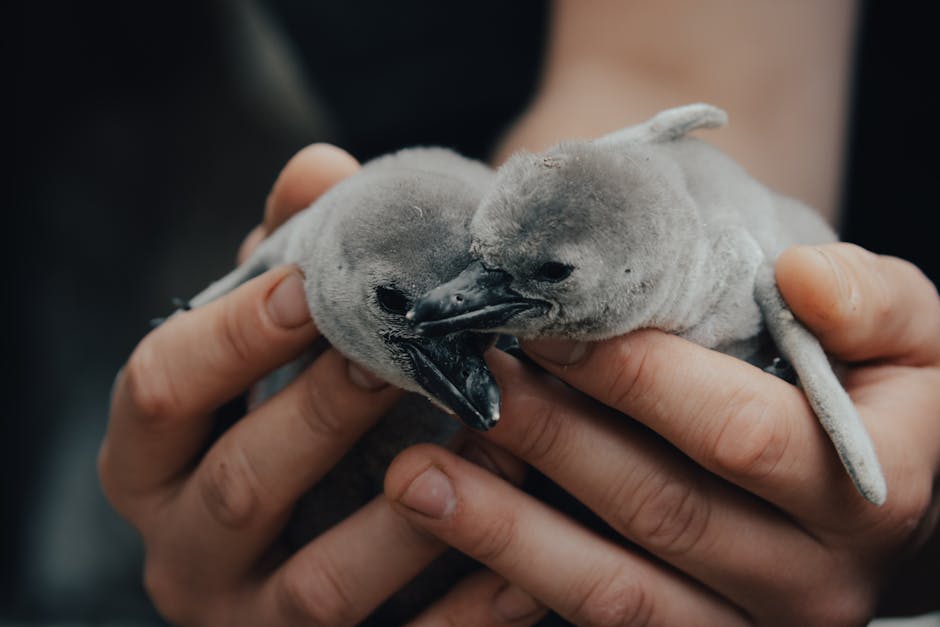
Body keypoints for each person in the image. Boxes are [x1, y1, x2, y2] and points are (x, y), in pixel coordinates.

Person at [99, 1, 940, 625]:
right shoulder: (328, 248)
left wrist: (913, 539)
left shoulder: (723, 247)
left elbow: (677, 91)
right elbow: (652, 85)